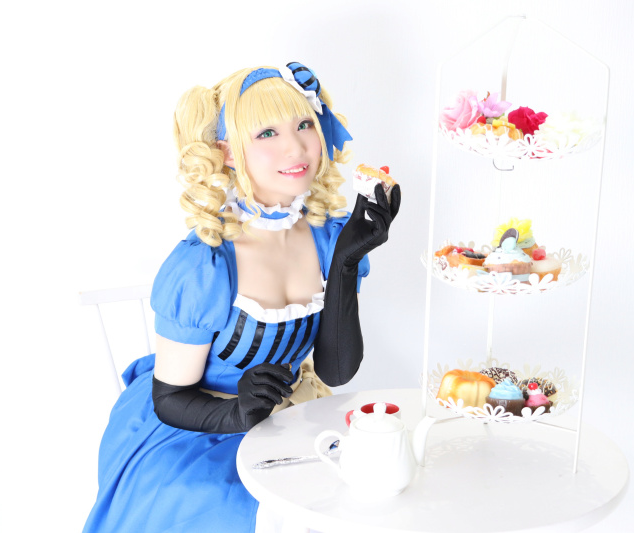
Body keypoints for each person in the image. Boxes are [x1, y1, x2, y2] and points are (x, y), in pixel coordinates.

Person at [83, 62, 400, 533]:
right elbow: (170, 398)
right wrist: (236, 411)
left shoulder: (327, 238)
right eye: (267, 133)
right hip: (195, 429)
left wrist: (346, 262)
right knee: (237, 508)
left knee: (371, 487)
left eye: (304, 125)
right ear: (227, 151)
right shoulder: (205, 264)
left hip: (290, 418)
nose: (296, 147)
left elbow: (335, 371)